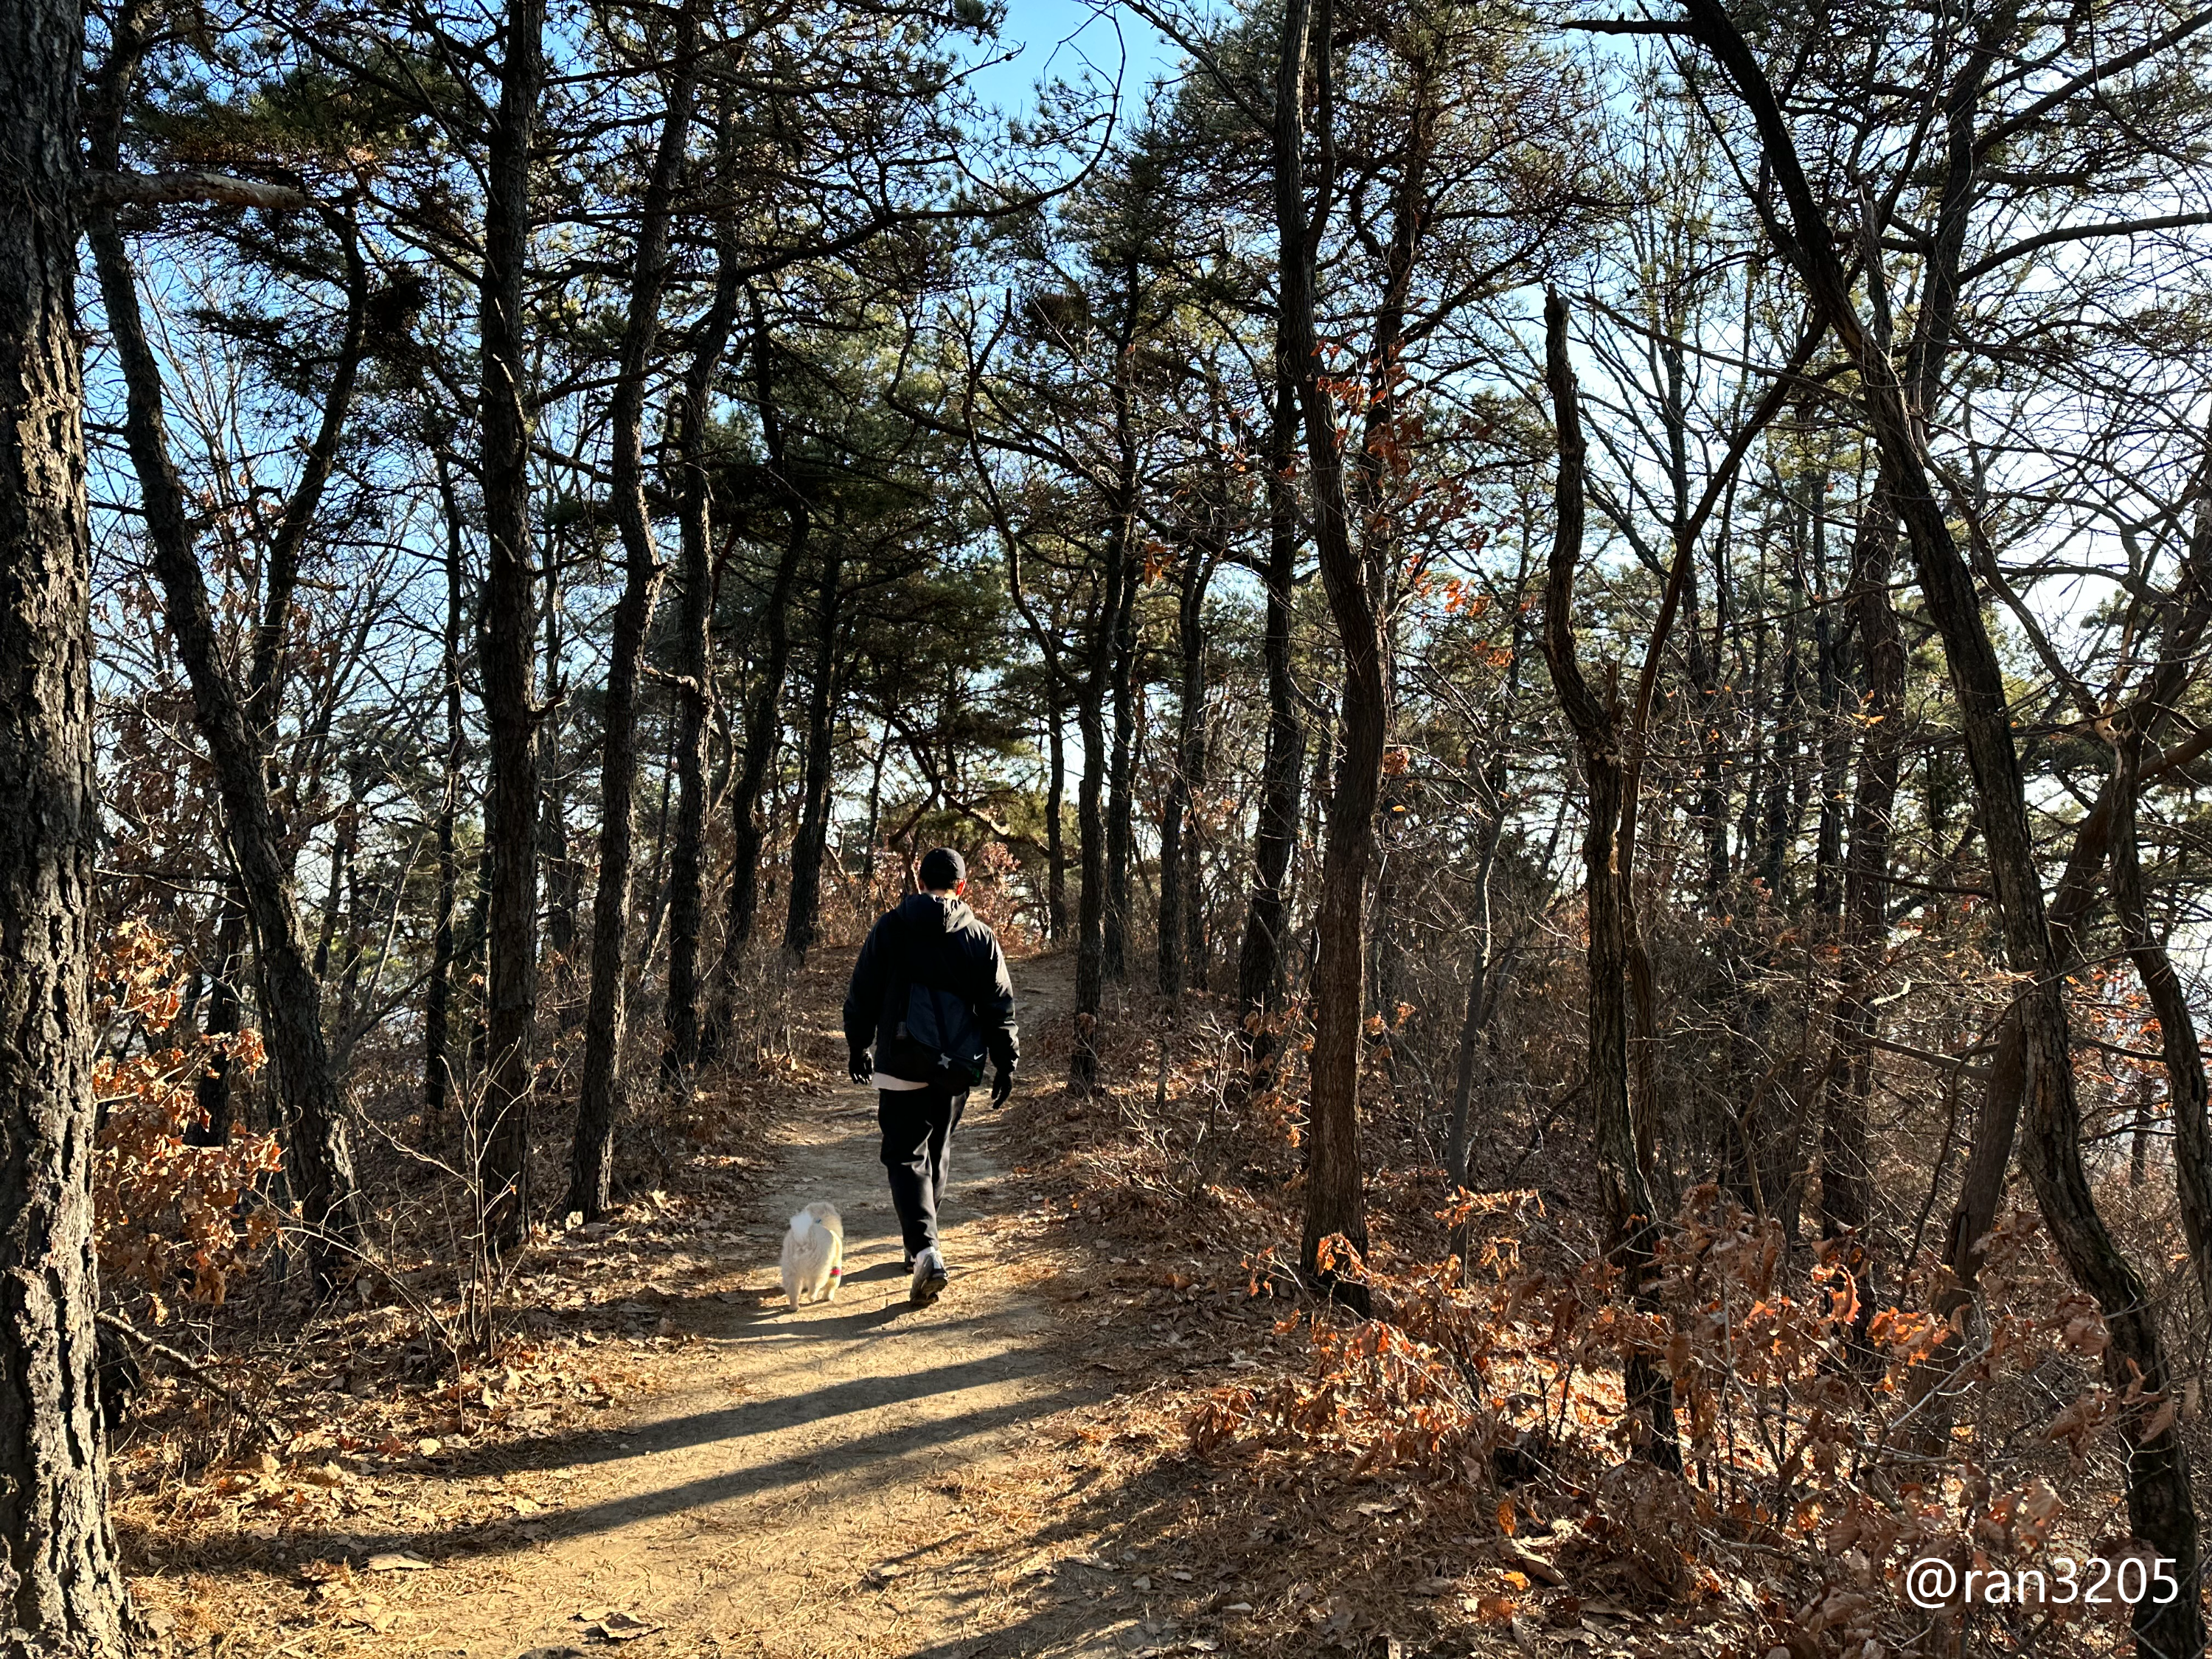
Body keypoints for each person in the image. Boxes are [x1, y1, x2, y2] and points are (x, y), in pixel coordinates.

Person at [843, 847, 1018, 1306]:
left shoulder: (891, 927)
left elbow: (862, 991)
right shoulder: (980, 937)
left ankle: (923, 1249)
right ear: (962, 887)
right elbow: (998, 1004)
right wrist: (1006, 1060)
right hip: (954, 1067)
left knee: (904, 1154)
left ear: (919, 882)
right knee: (936, 1148)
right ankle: (923, 1247)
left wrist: (858, 1044)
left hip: (900, 1059)